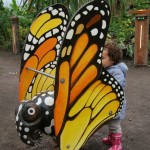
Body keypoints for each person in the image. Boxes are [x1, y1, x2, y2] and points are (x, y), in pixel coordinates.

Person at [101, 40, 128, 150]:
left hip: (115, 103)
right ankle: (111, 138)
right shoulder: (106, 68)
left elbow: (117, 84)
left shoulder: (117, 72)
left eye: (102, 58)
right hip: (108, 102)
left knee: (114, 124)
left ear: (112, 60)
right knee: (110, 122)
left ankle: (117, 144)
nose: (99, 60)